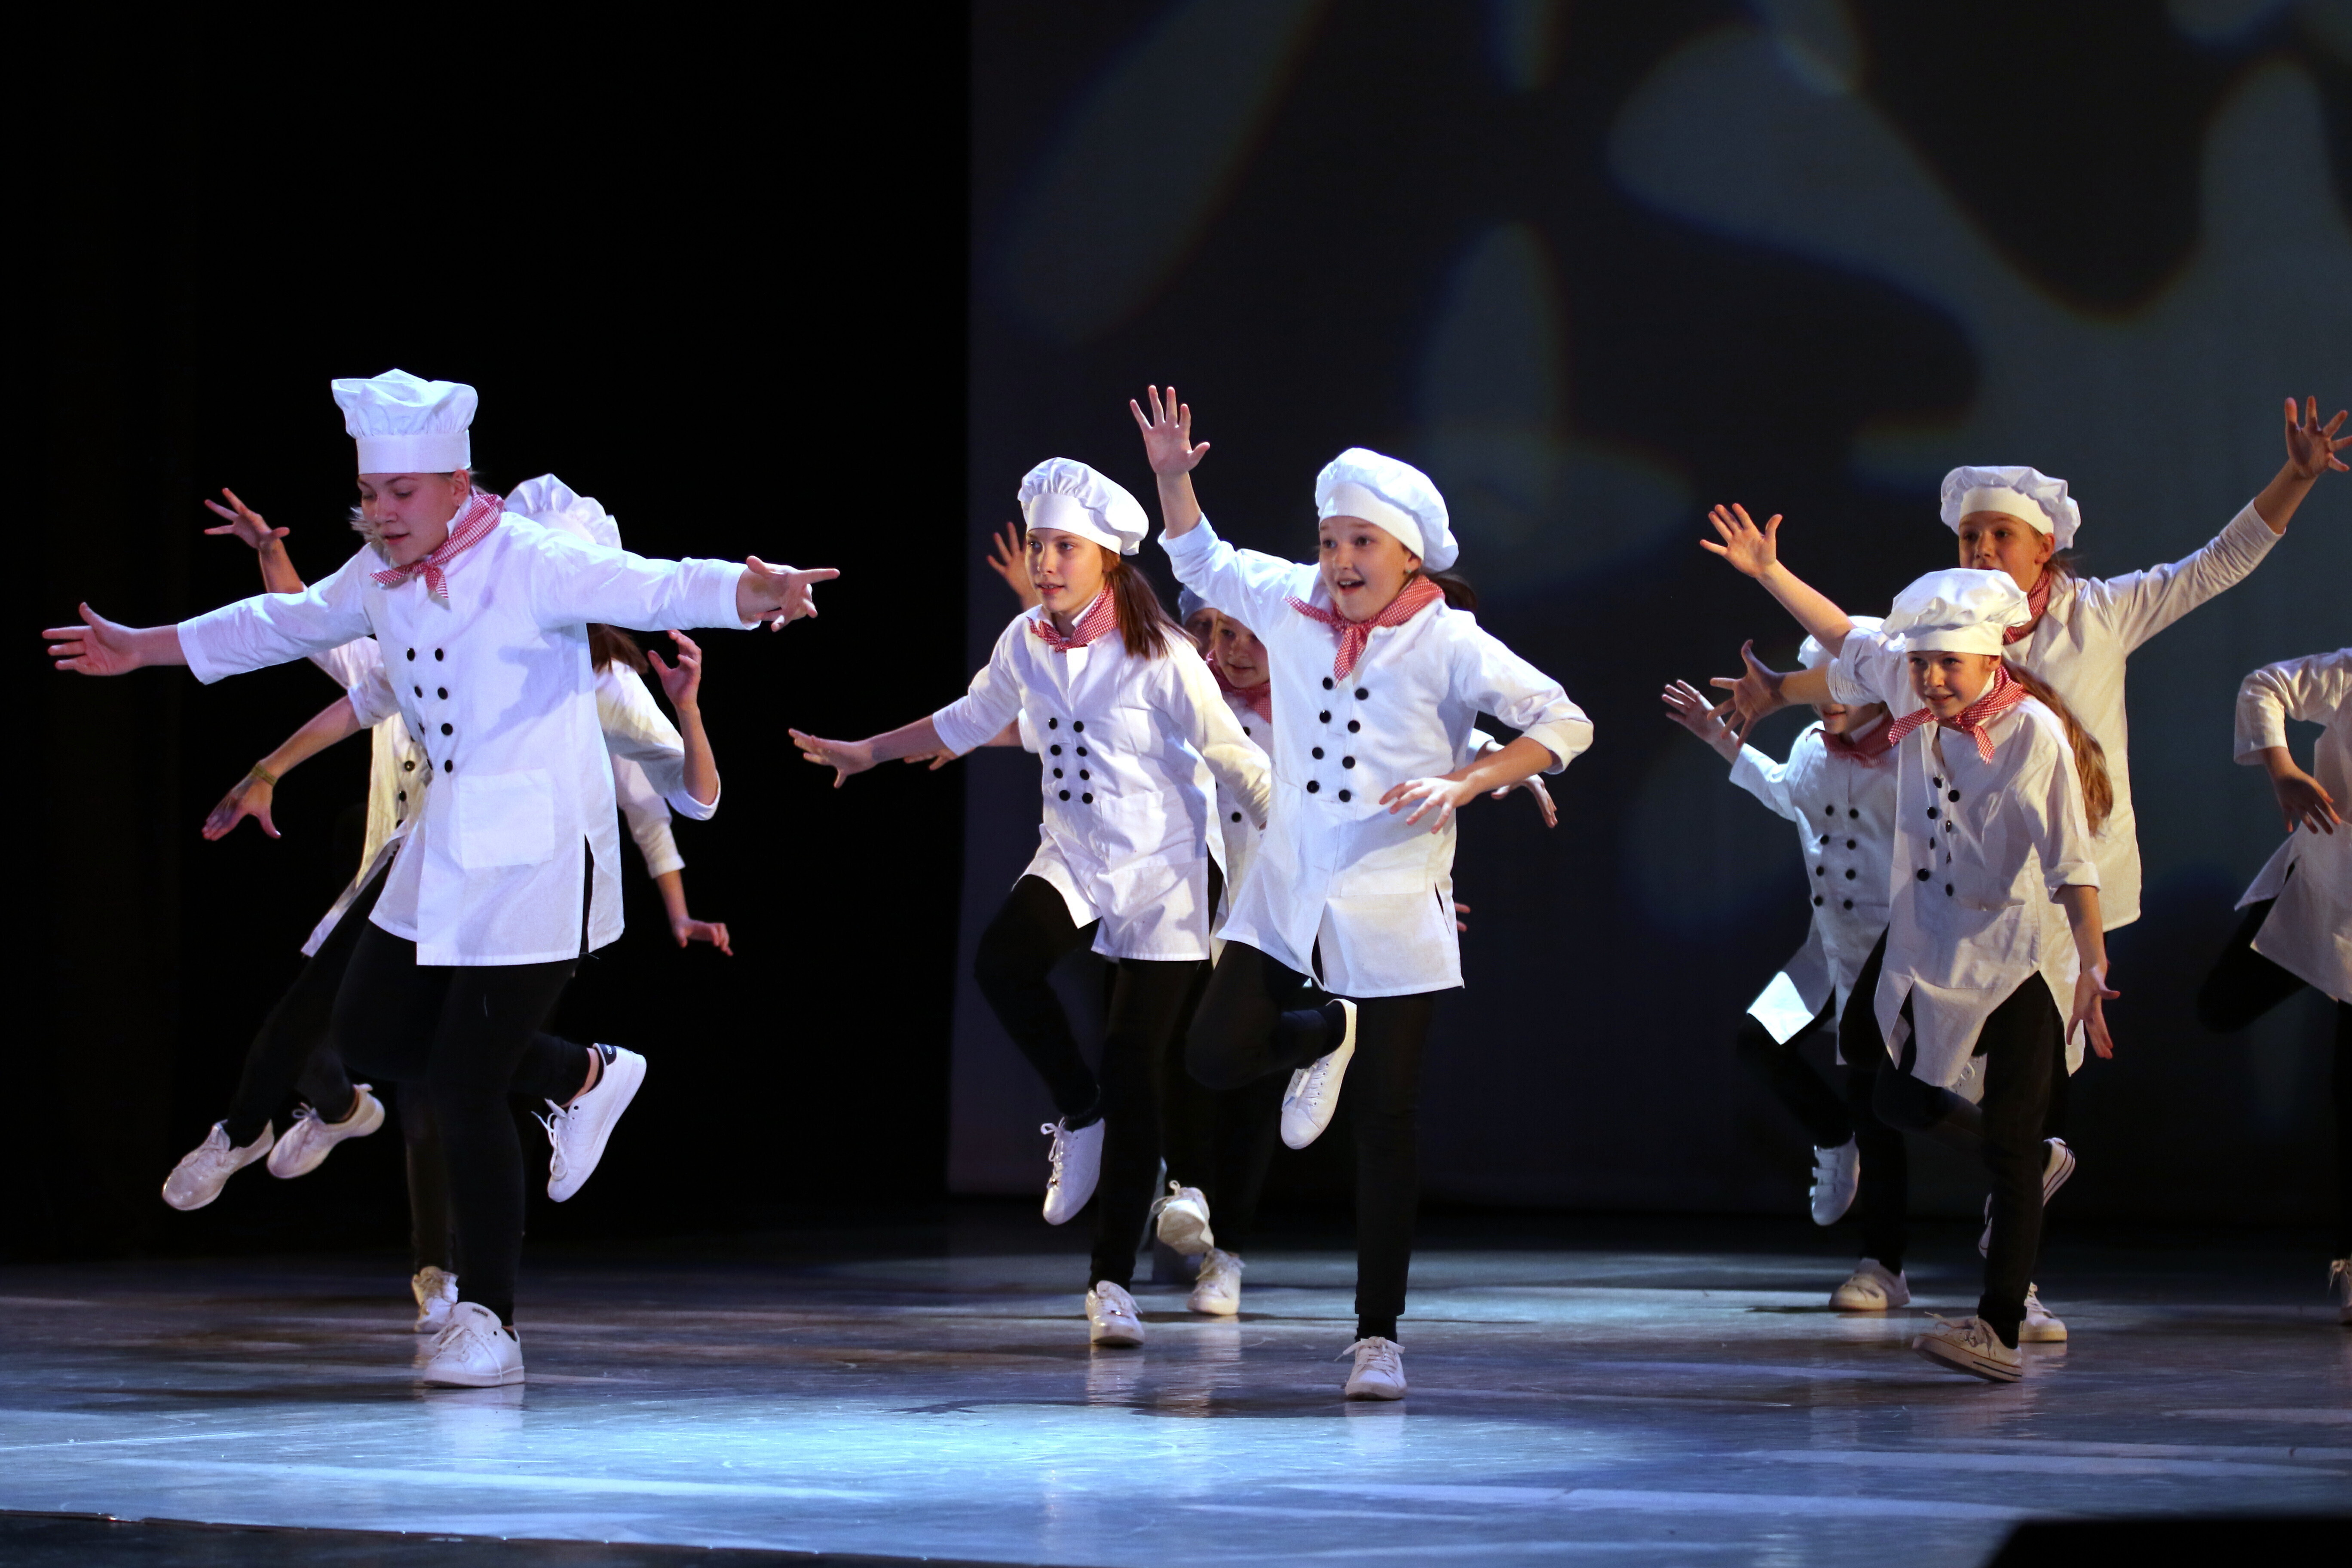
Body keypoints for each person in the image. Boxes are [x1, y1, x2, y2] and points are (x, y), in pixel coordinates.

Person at [46, 368, 830, 1386]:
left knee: (464, 1085)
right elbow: (279, 624)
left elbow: (656, 584)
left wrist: (754, 593)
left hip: (541, 847)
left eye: (402, 493)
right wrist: (144, 648)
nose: (381, 512)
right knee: (371, 1037)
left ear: (458, 484)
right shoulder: (376, 574)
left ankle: (490, 1323)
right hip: (446, 839)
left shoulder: (531, 558)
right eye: (370, 493)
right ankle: (584, 1073)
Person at [1133, 386, 1592, 1399]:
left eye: (1362, 544)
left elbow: (1567, 722)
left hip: (1394, 892)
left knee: (1387, 1121)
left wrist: (1474, 777)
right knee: (1212, 1055)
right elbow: (1201, 560)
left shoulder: (1451, 641)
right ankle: (1321, 1032)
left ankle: (1378, 1337)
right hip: (1289, 880)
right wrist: (1172, 478)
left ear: (1409, 558)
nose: (1341, 560)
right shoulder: (1288, 601)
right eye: (1331, 539)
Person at [790, 457, 1268, 1350]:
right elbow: (966, 721)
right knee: (1002, 963)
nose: (1045, 562)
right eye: (1040, 545)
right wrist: (868, 751)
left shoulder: (1164, 655)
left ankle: (1110, 1285)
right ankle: (1079, 1112)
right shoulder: (1025, 642)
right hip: (1076, 854)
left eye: (1063, 548)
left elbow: (1236, 761)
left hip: (1166, 872)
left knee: (1137, 1072)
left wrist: (1305, 851)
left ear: (1106, 559)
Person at [1798, 569, 2116, 1382]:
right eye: (1922, 663)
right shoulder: (1913, 701)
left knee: (2009, 1141)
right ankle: (2030, 1158)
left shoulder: (2034, 734)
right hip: (1921, 935)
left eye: (1950, 665)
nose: (1932, 679)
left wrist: (2092, 962)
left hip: (2012, 950)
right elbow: (1843, 635)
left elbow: (2073, 863)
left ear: (1989, 661)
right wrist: (1768, 572)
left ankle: (1998, 1330)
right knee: (1884, 1085)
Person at [1660, 622, 1899, 1298]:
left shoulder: (1914, 755)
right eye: (1819, 687)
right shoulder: (1811, 746)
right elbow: (1790, 795)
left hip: (1895, 956)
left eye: (1844, 687)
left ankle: (1884, 1265)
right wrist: (1719, 738)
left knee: (1881, 1103)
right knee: (1758, 1042)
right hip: (1829, 949)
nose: (1829, 700)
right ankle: (1833, 1135)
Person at [2195, 649, 2350, 1324]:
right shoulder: (2349, 675)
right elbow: (2265, 685)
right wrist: (2283, 770)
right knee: (2222, 1003)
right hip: (2326, 883)